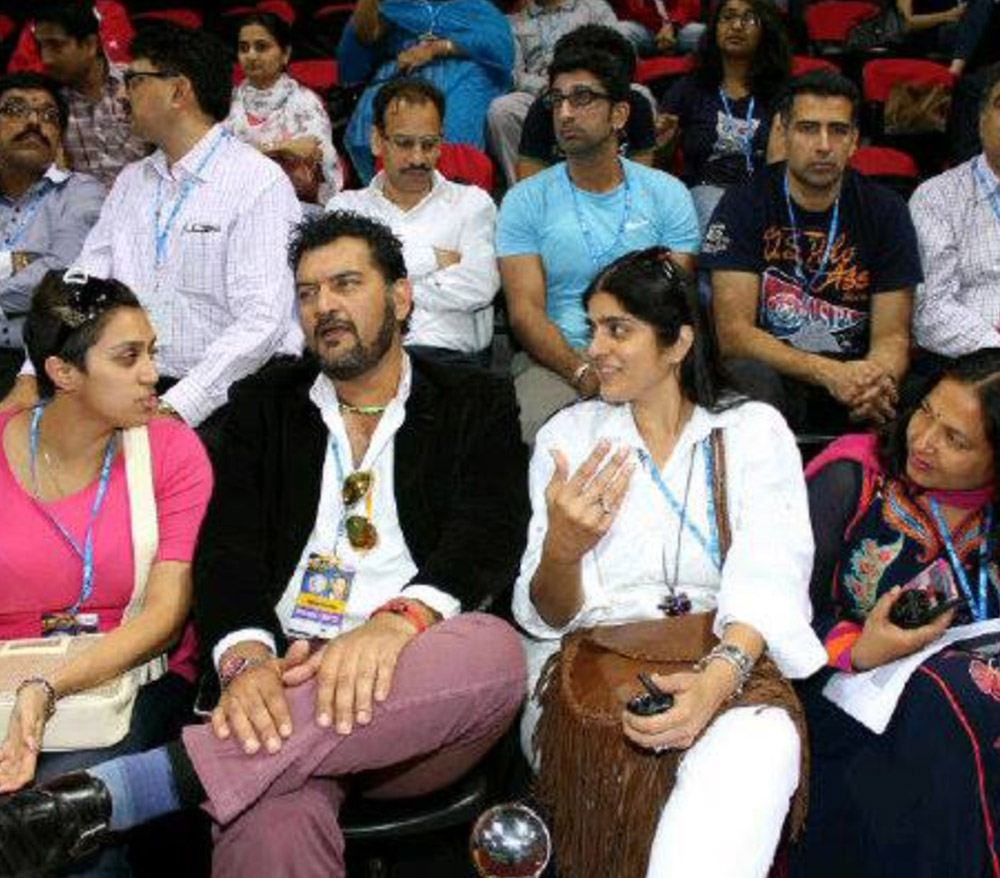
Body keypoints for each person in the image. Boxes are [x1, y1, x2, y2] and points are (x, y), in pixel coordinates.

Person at [0, 211, 529, 878]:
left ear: (400, 297)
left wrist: (395, 624)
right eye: (307, 292)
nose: (324, 306)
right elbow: (227, 552)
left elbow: (489, 529)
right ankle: (196, 769)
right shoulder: (265, 404)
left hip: (412, 685)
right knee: (268, 819)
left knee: (494, 650)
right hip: (281, 683)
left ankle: (151, 784)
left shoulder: (472, 398)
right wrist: (247, 661)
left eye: (345, 284)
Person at [514, 247, 827, 878]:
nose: (594, 348)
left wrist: (715, 682)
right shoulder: (568, 438)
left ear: (679, 342)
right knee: (614, 753)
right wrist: (563, 550)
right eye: (593, 328)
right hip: (589, 662)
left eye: (618, 329)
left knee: (762, 739)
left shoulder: (752, 431)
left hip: (724, 652)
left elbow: (771, 572)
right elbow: (548, 614)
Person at [0, 270, 212, 875]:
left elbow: (165, 616)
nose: (152, 374)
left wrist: (47, 688)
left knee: (62, 814)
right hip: (5, 677)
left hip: (130, 677)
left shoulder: (171, 451)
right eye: (128, 357)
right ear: (63, 373)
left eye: (152, 353)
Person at [3, 23, 302, 439]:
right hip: (132, 393)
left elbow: (263, 320)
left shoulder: (257, 182)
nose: (122, 95)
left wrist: (177, 407)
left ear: (178, 91)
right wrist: (31, 373)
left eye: (134, 80)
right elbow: (81, 286)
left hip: (227, 400)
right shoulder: (131, 182)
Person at [790, 349, 1000, 877]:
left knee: (958, 703)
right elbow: (780, 614)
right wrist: (860, 650)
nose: (923, 441)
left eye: (955, 440)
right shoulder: (854, 479)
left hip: (967, 706)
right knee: (946, 704)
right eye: (926, 412)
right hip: (843, 690)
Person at [497, 39, 699, 442]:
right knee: (535, 432)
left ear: (619, 114)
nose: (565, 113)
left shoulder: (668, 194)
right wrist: (582, 372)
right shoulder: (524, 200)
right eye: (557, 100)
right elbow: (525, 312)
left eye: (582, 98)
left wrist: (629, 368)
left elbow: (670, 304)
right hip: (560, 362)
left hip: (651, 358)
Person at [704, 70, 920, 436]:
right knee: (746, 377)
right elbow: (734, 334)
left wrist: (875, 381)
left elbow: (892, 336)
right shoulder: (743, 203)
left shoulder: (887, 210)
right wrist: (826, 372)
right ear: (783, 133)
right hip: (775, 372)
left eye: (838, 130)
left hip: (856, 375)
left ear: (854, 140)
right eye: (807, 129)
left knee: (924, 394)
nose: (823, 145)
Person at [327, 80, 499, 365]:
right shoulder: (345, 209)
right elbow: (341, 290)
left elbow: (480, 286)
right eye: (404, 143)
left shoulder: (472, 204)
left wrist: (379, 285)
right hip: (367, 361)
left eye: (429, 144)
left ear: (441, 143)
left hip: (450, 361)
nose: (418, 158)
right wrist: (433, 258)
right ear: (377, 140)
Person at [0, 72, 105, 398]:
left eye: (49, 116)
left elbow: (60, 276)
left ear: (60, 137)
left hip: (43, 364)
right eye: (16, 109)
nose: (34, 122)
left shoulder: (82, 193)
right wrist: (25, 261)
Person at [338, 0, 514, 184]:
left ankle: (449, 194)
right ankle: (384, 192)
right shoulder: (393, 5)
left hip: (465, 69)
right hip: (403, 68)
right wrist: (369, 14)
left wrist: (437, 48)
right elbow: (354, 60)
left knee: (451, 135)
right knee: (368, 128)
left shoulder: (477, 7)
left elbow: (498, 46)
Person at [658, 0, 791, 231]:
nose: (737, 26)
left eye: (749, 18)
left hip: (763, 197)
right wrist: (664, 141)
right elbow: (658, 163)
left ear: (765, 31)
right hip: (703, 193)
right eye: (728, 17)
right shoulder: (688, 89)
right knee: (713, 206)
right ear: (715, 29)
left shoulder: (782, 95)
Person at [909, 64, 1000, 363]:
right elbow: (930, 312)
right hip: (972, 366)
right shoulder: (937, 198)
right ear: (981, 121)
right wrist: (995, 345)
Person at [486, 0, 622, 186]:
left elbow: (617, 56)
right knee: (502, 109)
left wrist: (583, 85)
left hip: (590, 88)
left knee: (638, 94)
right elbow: (513, 74)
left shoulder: (595, 8)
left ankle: (620, 184)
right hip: (538, 93)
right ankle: (524, 191)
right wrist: (549, 87)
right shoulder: (512, 23)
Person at [226, 12, 343, 204]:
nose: (251, 55)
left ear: (285, 54)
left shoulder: (304, 101)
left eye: (261, 47)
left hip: (294, 203)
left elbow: (312, 154)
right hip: (232, 199)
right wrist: (281, 148)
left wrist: (248, 155)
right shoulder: (225, 103)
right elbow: (215, 160)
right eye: (244, 48)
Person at [516, 24, 658, 181]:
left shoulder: (637, 106)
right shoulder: (544, 108)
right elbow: (531, 181)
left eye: (583, 96)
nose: (565, 114)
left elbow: (640, 181)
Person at [33, 1, 149, 190]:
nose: (46, 59)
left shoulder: (139, 85)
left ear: (90, 44)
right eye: (41, 47)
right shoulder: (48, 104)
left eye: (56, 45)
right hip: (81, 206)